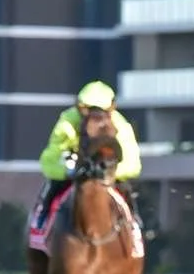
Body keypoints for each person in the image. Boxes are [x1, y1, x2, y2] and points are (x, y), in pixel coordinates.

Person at [34, 80, 143, 230]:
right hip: (78, 165)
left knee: (125, 188)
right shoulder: (67, 123)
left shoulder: (121, 126)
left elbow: (133, 164)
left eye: (102, 111)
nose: (95, 117)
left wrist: (110, 172)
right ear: (80, 107)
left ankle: (134, 224)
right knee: (54, 185)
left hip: (108, 170)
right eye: (87, 110)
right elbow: (49, 160)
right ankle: (42, 219)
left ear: (111, 109)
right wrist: (68, 170)